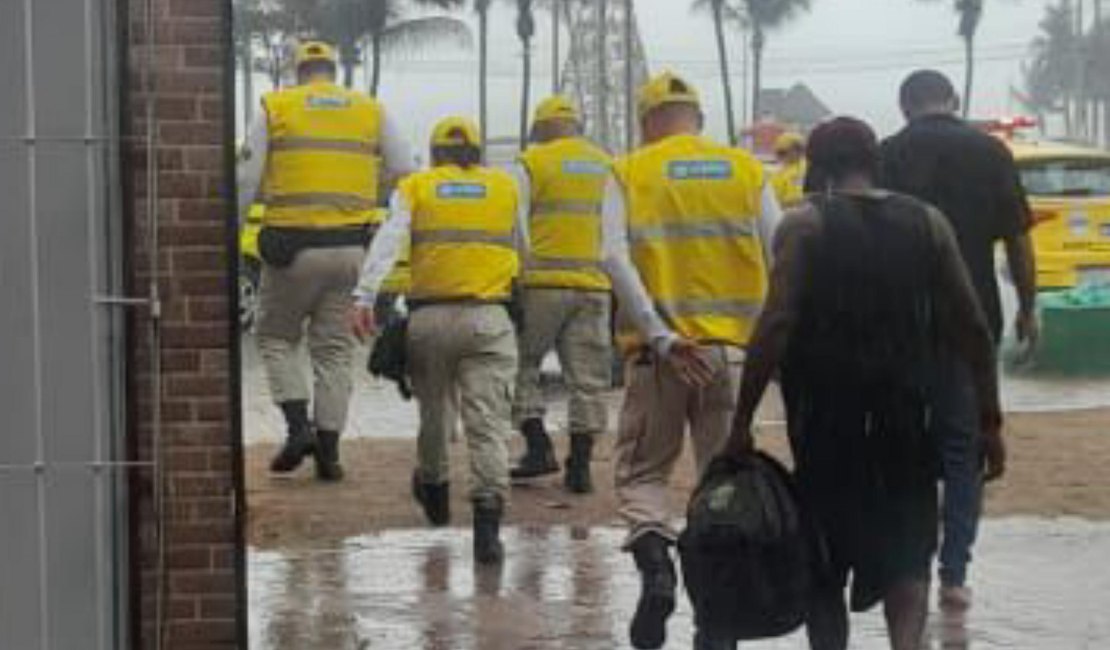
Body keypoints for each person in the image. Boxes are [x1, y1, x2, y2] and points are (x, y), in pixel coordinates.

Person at [723, 117, 1004, 650]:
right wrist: (988, 420)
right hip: (906, 416)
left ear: (816, 168)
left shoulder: (804, 225)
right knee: (909, 550)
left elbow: (776, 324)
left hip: (826, 421)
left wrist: (742, 421)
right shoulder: (928, 223)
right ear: (875, 162)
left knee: (825, 561)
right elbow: (972, 328)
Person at [602, 71, 781, 650]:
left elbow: (611, 258)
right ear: (697, 118)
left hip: (662, 361)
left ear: (648, 121)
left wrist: (659, 335)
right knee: (720, 488)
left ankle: (657, 568)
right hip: (733, 359)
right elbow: (784, 255)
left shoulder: (628, 171)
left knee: (643, 473)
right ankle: (717, 624)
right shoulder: (748, 171)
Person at [881, 69, 1037, 609]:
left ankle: (912, 566)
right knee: (962, 447)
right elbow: (1017, 240)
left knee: (905, 444)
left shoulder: (888, 154)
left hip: (900, 327)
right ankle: (955, 575)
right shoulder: (990, 152)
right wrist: (1030, 307)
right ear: (952, 100)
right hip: (972, 325)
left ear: (905, 107)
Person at [237, 41, 416, 481]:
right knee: (334, 351)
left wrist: (232, 227)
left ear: (299, 73)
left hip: (293, 252)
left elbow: (245, 176)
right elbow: (404, 167)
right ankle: (330, 454)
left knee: (277, 338)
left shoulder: (276, 106)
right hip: (352, 250)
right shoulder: (369, 110)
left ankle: (299, 429)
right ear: (333, 71)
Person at [350, 117, 522, 565]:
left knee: (434, 413)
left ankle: (437, 494)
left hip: (429, 318)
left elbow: (389, 240)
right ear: (477, 153)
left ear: (435, 152)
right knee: (487, 423)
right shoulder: (504, 188)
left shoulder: (418, 187)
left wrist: (365, 295)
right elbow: (522, 250)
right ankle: (487, 526)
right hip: (488, 317)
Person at [508, 95, 614, 493]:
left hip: (542, 284)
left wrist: (516, 276)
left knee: (519, 364)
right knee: (588, 379)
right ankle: (580, 466)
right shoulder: (607, 165)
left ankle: (538, 446)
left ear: (540, 130)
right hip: (594, 285)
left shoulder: (532, 163)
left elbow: (515, 223)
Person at [770, 131, 808, 208]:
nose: (781, 156)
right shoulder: (784, 169)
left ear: (798, 151)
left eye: (784, 152)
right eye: (779, 153)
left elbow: (794, 200)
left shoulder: (800, 171)